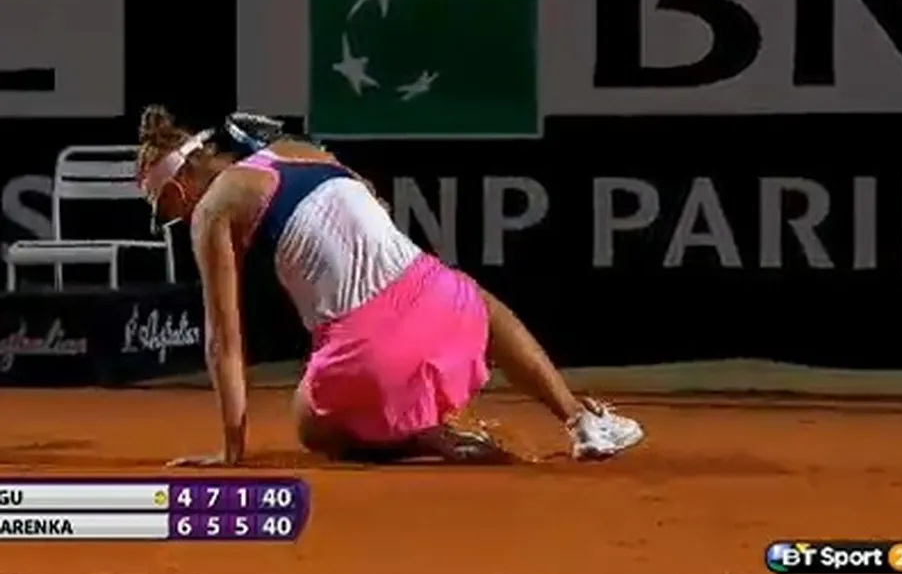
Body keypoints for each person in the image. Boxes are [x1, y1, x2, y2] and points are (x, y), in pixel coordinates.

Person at [135, 105, 644, 465]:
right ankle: (581, 421)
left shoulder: (212, 211)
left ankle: (425, 439)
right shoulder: (293, 151)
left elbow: (224, 339)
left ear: (179, 188)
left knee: (311, 425)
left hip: (366, 355)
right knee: (480, 303)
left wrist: (232, 448)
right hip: (442, 303)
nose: (173, 219)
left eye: (164, 209)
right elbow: (373, 197)